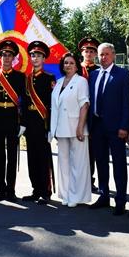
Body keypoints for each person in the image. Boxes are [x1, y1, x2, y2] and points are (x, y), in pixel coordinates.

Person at [88, 43, 129, 214]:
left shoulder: (123, 74)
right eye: (100, 54)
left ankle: (120, 200)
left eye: (106, 54)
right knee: (101, 163)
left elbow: (127, 103)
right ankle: (104, 195)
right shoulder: (93, 74)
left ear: (113, 55)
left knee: (119, 164)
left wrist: (124, 126)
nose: (103, 57)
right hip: (97, 126)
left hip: (116, 128)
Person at [0, 39, 26, 202]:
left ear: (14, 58)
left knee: (12, 156)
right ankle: (1, 189)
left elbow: (24, 101)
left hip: (12, 118)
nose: (6, 58)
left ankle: (11, 189)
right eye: (4, 55)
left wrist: (23, 123)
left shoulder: (20, 76)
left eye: (9, 55)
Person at [50, 53, 91, 207]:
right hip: (61, 128)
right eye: (65, 62)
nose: (68, 65)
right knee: (63, 163)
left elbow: (84, 105)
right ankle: (66, 194)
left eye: (71, 63)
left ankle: (77, 196)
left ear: (76, 65)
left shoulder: (81, 82)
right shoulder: (59, 82)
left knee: (78, 164)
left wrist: (80, 127)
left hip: (76, 128)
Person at [22, 41, 56, 205]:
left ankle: (45, 191)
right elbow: (23, 103)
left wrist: (51, 127)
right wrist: (22, 123)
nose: (35, 58)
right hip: (30, 123)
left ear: (44, 59)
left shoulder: (49, 78)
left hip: (43, 122)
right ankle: (35, 189)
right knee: (32, 158)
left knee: (43, 158)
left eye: (39, 56)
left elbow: (52, 104)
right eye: (33, 55)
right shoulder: (26, 78)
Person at [78, 37, 100, 194]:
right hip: (77, 114)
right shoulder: (75, 68)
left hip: (93, 115)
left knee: (92, 150)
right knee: (78, 149)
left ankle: (90, 181)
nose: (89, 53)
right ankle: (79, 180)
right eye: (87, 51)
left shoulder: (98, 70)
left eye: (92, 51)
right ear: (82, 52)